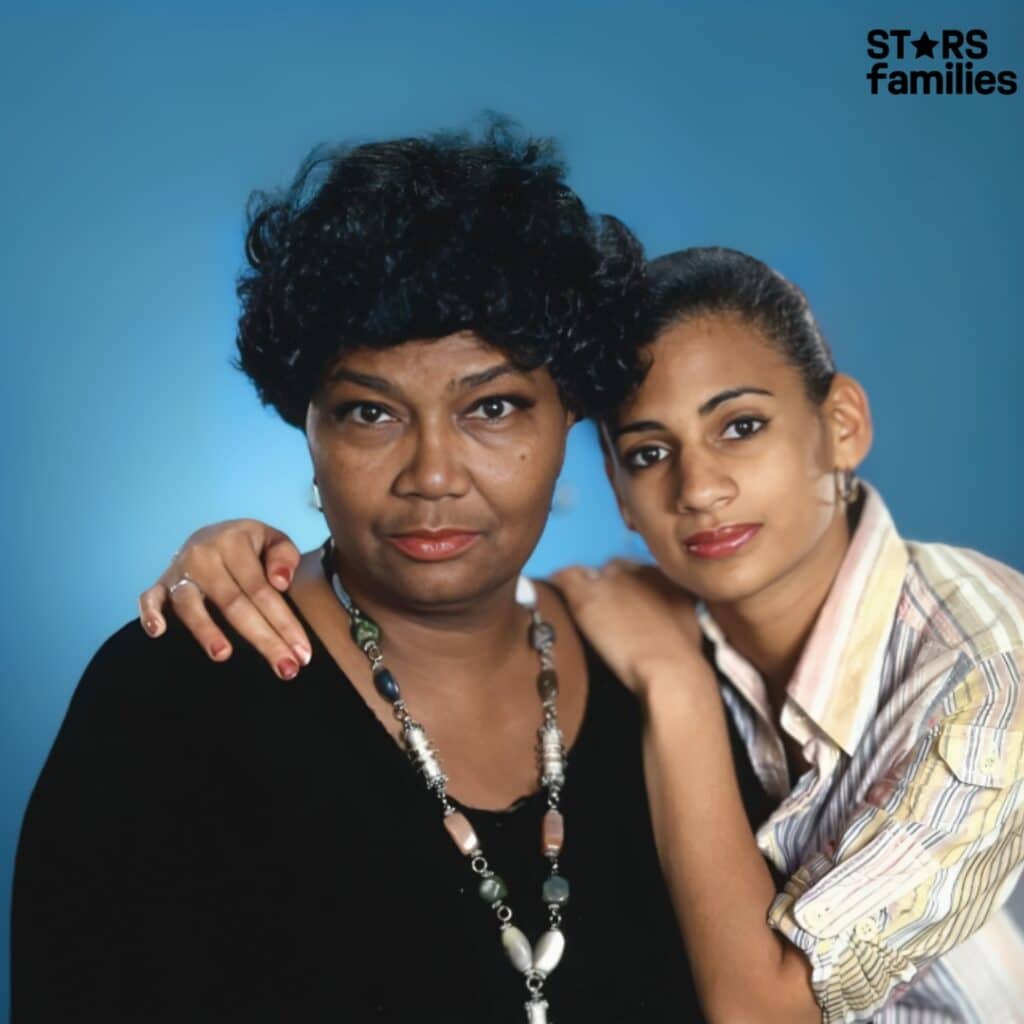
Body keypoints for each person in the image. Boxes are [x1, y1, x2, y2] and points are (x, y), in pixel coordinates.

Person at [12, 128, 775, 1024]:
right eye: (370, 412)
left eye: (492, 407)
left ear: (571, 412)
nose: (434, 474)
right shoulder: (170, 702)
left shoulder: (680, 681)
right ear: (310, 426)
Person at [144, 247, 1024, 1022]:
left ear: (843, 425)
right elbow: (446, 579)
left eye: (741, 427)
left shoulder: (989, 675)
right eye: (649, 451)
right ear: (612, 482)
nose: (700, 487)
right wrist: (241, 557)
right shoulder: (635, 613)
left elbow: (766, 1015)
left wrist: (675, 686)